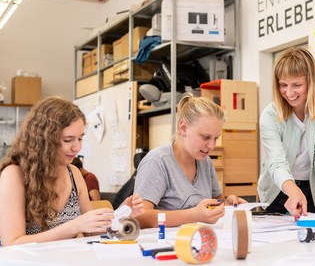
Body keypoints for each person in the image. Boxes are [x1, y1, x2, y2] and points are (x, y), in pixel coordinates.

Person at [0, 96, 144, 246]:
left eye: (80, 138)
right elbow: (13, 243)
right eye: (68, 140)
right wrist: (74, 226)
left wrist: (121, 215)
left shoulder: (73, 173)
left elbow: (91, 231)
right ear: (44, 140)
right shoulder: (14, 175)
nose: (77, 148)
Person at [258, 47, 315, 218]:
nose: (289, 93)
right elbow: (277, 162)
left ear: (311, 81)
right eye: (283, 85)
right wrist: (293, 191)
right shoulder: (270, 115)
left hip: (313, 190)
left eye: (297, 85)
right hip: (278, 188)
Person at [134, 94, 247, 228]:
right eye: (206, 137)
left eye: (216, 138)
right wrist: (194, 215)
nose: (211, 145)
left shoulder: (206, 162)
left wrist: (227, 205)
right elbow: (140, 217)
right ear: (183, 128)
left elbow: (217, 202)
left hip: (201, 240)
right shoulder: (157, 162)